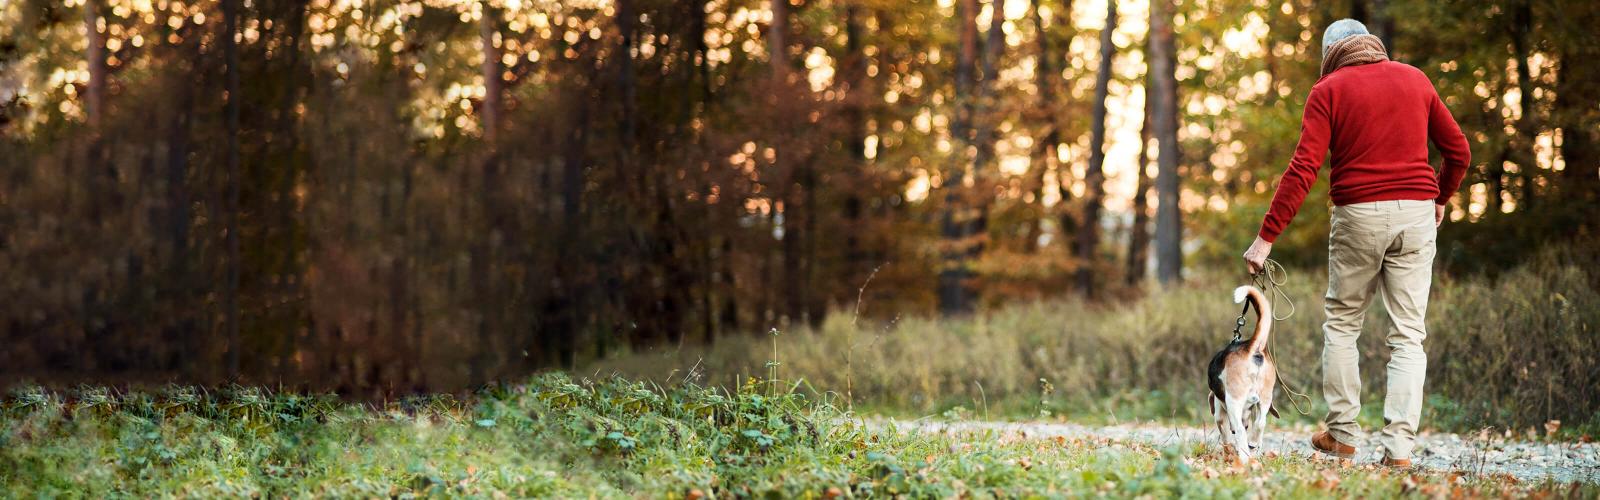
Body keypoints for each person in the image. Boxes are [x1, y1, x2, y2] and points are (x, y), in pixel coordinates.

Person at [1240, 19, 1471, 467]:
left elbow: (1304, 167)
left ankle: (1343, 434)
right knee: (1408, 335)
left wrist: (1266, 237)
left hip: (1358, 215)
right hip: (1417, 215)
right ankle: (1399, 450)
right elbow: (1459, 151)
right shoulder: (1415, 79)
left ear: (1331, 53)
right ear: (1370, 44)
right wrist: (1438, 198)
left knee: (1344, 324)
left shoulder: (1328, 90)